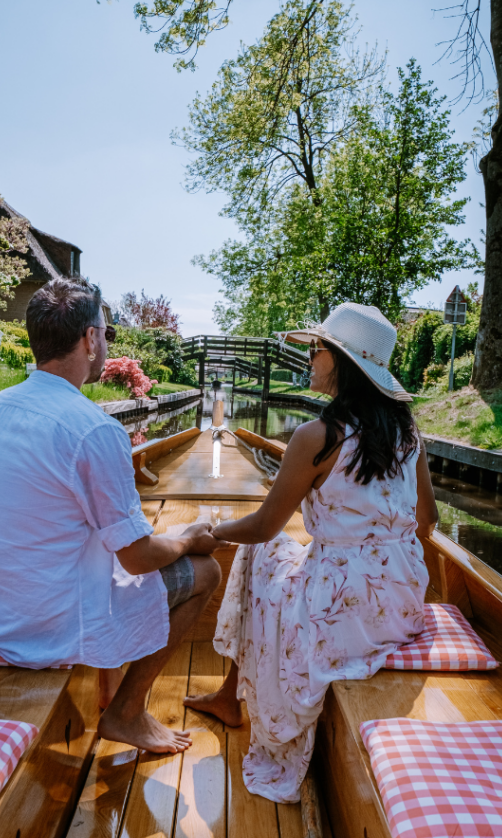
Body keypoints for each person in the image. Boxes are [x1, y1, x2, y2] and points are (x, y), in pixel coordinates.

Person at [0, 276, 223, 754]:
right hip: (43, 625)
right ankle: (127, 711)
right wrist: (188, 539)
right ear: (90, 339)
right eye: (107, 332)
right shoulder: (94, 431)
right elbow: (139, 558)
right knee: (204, 570)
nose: (106, 341)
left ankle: (107, 687)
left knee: (92, 545)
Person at [184, 303, 438, 802]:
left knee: (259, 552)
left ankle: (229, 695)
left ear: (341, 361)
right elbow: (427, 522)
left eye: (317, 349)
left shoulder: (316, 436)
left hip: (342, 608)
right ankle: (229, 696)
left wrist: (211, 531)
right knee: (292, 554)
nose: (311, 358)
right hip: (404, 598)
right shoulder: (409, 433)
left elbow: (262, 526)